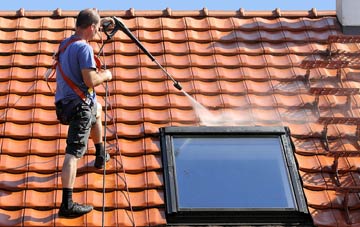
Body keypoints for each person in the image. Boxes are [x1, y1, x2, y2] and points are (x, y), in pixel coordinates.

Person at [55, 8, 113, 218]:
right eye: (97, 29)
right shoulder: (84, 48)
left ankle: (100, 154)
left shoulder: (65, 44)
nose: (98, 32)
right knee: (73, 153)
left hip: (63, 105)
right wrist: (105, 75)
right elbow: (90, 81)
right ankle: (67, 204)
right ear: (91, 27)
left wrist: (103, 21)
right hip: (78, 107)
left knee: (96, 108)